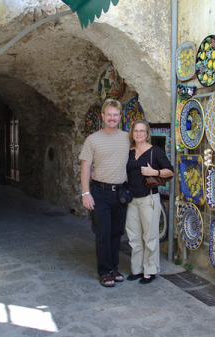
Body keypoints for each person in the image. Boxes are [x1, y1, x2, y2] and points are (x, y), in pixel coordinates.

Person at [79, 98, 130, 287]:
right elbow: (85, 167)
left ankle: (113, 267)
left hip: (120, 192)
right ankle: (104, 271)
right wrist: (86, 193)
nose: (112, 118)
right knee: (103, 232)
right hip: (100, 192)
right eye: (108, 114)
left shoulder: (127, 138)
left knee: (116, 233)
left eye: (115, 115)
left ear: (120, 116)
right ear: (102, 116)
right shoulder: (92, 140)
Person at [125, 119, 174, 284]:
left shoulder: (155, 151)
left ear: (147, 134)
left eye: (142, 131)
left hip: (149, 198)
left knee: (150, 236)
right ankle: (137, 269)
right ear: (132, 133)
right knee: (133, 236)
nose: (139, 134)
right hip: (132, 200)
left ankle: (150, 270)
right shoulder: (129, 152)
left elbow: (170, 171)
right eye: (136, 131)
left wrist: (154, 171)